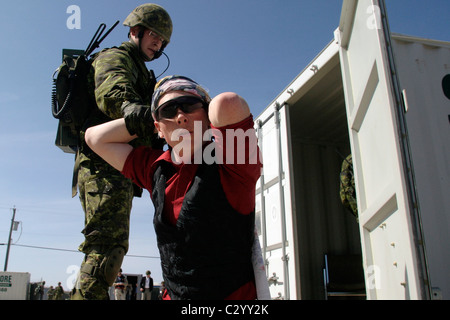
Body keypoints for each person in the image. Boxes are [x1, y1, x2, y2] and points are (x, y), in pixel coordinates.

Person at [85, 75, 262, 299]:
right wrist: (155, 121)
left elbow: (228, 103)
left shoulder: (234, 164)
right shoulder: (154, 169)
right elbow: (94, 138)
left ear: (207, 115)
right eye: (168, 110)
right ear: (157, 127)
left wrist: (171, 118)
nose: (180, 116)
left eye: (189, 106)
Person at [71, 4, 173, 300]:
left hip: (120, 166)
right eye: (154, 35)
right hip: (102, 163)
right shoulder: (115, 57)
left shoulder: (142, 70)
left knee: (112, 246)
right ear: (136, 31)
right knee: (106, 248)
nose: (159, 43)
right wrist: (136, 111)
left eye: (163, 40)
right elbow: (113, 92)